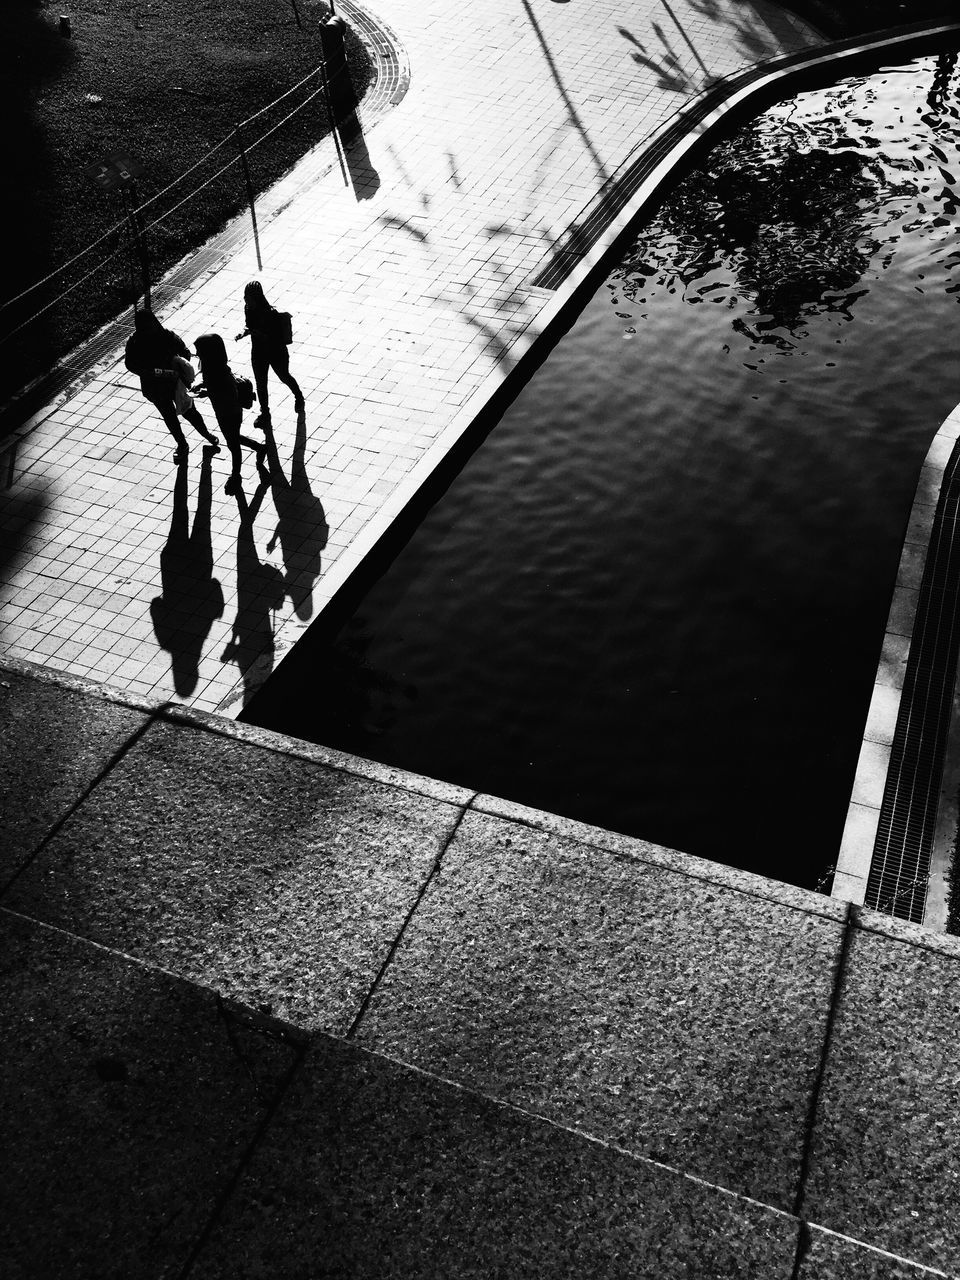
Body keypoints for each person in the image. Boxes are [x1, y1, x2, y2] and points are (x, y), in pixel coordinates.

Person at [124, 309, 219, 461]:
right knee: (168, 415)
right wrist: (147, 372)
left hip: (174, 383)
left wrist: (177, 362)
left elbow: (185, 352)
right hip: (154, 387)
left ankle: (206, 434)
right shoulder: (135, 342)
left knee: (189, 410)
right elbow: (129, 363)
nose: (148, 329)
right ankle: (181, 443)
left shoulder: (167, 336)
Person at [194, 332, 264, 494]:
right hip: (223, 410)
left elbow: (227, 393)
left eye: (200, 351)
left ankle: (236, 475)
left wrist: (208, 392)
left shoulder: (220, 373)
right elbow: (213, 384)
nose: (197, 354)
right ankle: (259, 448)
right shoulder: (213, 367)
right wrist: (204, 386)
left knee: (233, 444)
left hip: (229, 412)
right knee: (232, 438)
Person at [235, 280, 303, 426]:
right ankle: (265, 414)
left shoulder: (270, 314)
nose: (245, 300)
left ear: (256, 298)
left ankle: (299, 396)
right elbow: (249, 326)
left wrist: (256, 332)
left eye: (248, 297)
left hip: (276, 351)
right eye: (245, 296)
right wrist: (243, 333)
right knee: (261, 384)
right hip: (258, 353)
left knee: (284, 376)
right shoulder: (248, 308)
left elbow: (273, 337)